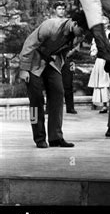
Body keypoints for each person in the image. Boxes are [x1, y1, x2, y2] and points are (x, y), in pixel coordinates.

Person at [19, 11, 88, 148]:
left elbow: (65, 52)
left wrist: (59, 65)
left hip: (51, 63)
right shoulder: (51, 25)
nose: (83, 34)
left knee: (58, 93)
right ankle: (39, 138)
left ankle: (56, 137)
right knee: (36, 101)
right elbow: (29, 44)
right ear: (74, 24)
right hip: (33, 63)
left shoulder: (77, 36)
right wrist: (23, 69)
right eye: (82, 30)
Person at [52, 1, 77, 114]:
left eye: (63, 8)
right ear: (55, 10)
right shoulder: (51, 23)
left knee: (68, 83)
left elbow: (77, 40)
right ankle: (51, 107)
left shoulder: (70, 23)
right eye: (59, 8)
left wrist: (72, 51)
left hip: (67, 57)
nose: (61, 10)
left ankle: (70, 107)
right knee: (51, 84)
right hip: (54, 57)